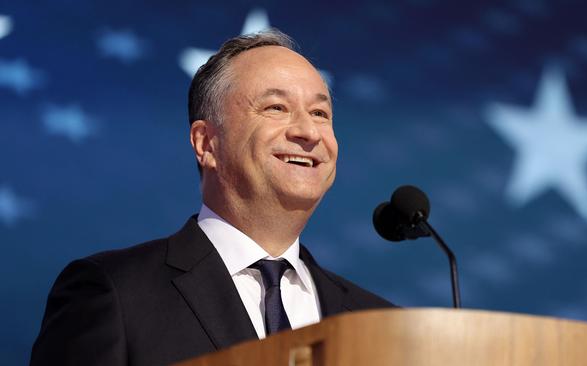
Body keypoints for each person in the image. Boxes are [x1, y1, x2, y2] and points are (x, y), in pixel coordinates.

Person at [30, 29, 394, 366]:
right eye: (275, 108)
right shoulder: (115, 294)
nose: (308, 131)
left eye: (319, 113)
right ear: (207, 143)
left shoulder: (380, 323)